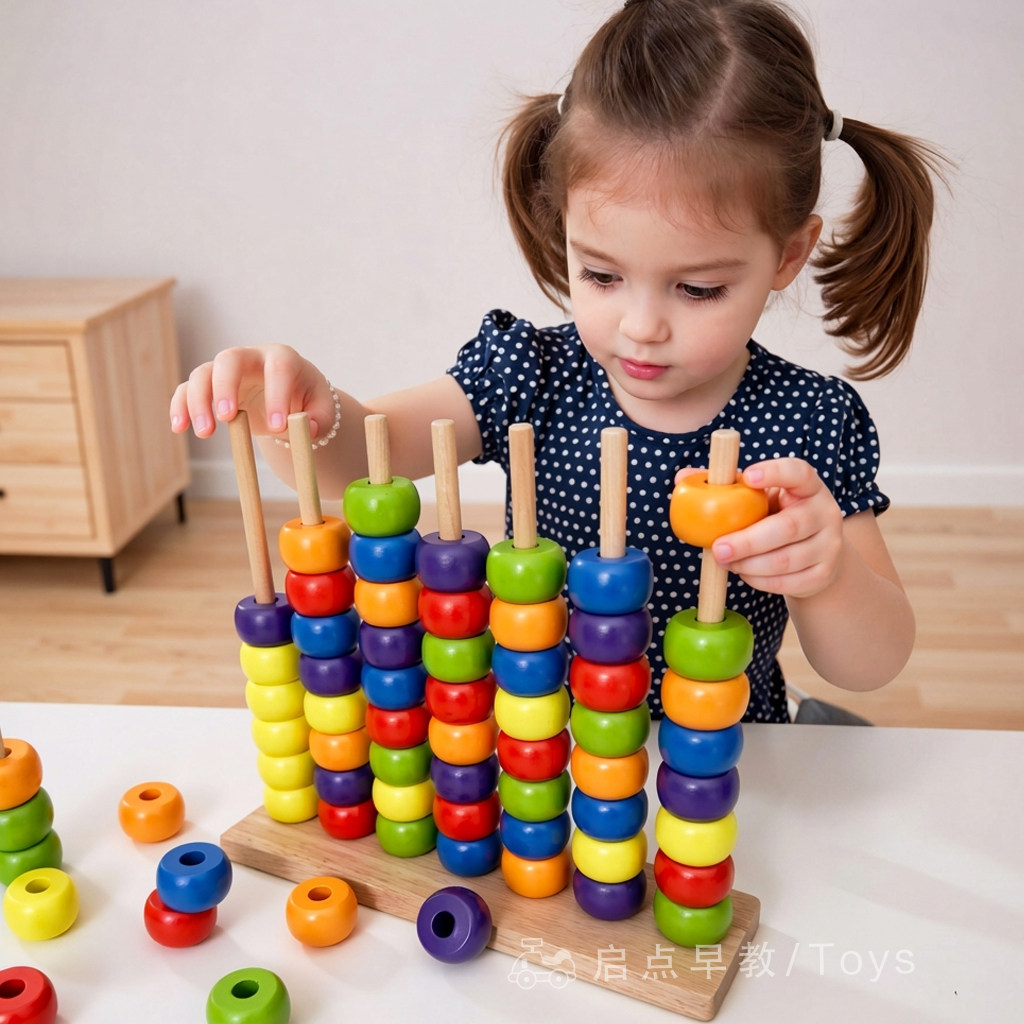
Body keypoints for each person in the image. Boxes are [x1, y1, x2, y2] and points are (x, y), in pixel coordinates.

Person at [171, 0, 942, 722]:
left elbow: (870, 665)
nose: (641, 328)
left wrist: (827, 572)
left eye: (699, 288)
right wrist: (303, 411)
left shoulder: (807, 419)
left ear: (789, 255)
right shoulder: (530, 372)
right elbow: (361, 457)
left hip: (723, 771)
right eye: (601, 275)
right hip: (541, 760)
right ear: (563, 224)